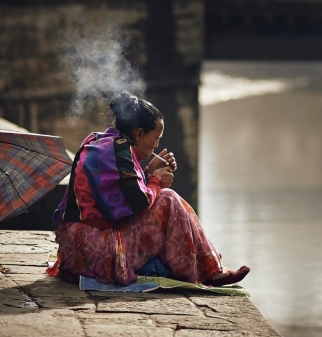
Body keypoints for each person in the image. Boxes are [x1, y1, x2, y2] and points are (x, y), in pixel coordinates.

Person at [48, 92, 250, 287]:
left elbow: (117, 195)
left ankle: (205, 266)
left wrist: (149, 171)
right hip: (91, 248)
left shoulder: (101, 141)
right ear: (139, 133)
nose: (156, 145)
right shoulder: (120, 152)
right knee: (168, 199)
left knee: (162, 247)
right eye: (156, 138)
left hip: (74, 247)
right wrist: (155, 180)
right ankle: (210, 270)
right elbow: (137, 201)